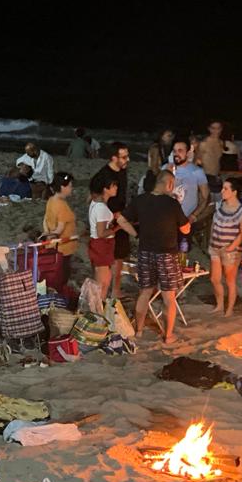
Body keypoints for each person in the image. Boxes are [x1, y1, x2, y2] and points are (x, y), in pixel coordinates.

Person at [115, 170, 190, 344]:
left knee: (144, 292)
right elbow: (186, 229)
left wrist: (136, 234)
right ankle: (168, 335)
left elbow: (121, 220)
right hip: (167, 254)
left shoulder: (140, 200)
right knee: (168, 297)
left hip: (145, 252)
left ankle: (139, 331)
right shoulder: (172, 203)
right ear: (169, 184)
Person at [208, 177, 242, 316]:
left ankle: (229, 309)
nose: (222, 191)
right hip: (216, 246)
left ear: (234, 192)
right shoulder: (220, 205)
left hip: (231, 250)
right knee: (214, 278)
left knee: (230, 280)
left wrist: (232, 247)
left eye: (226, 189)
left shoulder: (241, 211)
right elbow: (214, 223)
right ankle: (219, 305)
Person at [95, 143, 132, 297]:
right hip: (108, 217)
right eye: (124, 157)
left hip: (120, 215)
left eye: (127, 156)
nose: (127, 159)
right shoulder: (104, 175)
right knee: (105, 257)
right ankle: (102, 291)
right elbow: (95, 196)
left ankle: (115, 290)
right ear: (114, 157)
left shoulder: (123, 171)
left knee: (120, 255)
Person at [166, 139, 210, 247]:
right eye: (175, 151)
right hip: (166, 221)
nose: (177, 154)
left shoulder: (197, 172)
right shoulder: (166, 169)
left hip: (185, 221)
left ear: (187, 152)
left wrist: (193, 216)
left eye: (180, 151)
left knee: (182, 254)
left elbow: (205, 197)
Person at [42, 172, 78, 288]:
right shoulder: (62, 206)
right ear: (63, 187)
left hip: (52, 245)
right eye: (70, 186)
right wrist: (53, 235)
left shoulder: (51, 200)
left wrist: (47, 234)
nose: (71, 189)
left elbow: (45, 220)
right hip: (64, 247)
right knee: (62, 274)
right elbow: (60, 229)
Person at [88, 169, 120, 297]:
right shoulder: (101, 207)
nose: (116, 188)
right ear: (106, 189)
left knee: (103, 280)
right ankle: (98, 313)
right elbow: (101, 232)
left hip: (99, 246)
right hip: (102, 246)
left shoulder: (96, 203)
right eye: (114, 186)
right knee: (102, 284)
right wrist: (118, 228)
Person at [196, 121, 224, 194]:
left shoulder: (221, 143)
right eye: (213, 128)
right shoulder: (203, 144)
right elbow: (196, 161)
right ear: (209, 129)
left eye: (218, 128)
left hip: (216, 176)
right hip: (205, 176)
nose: (216, 131)